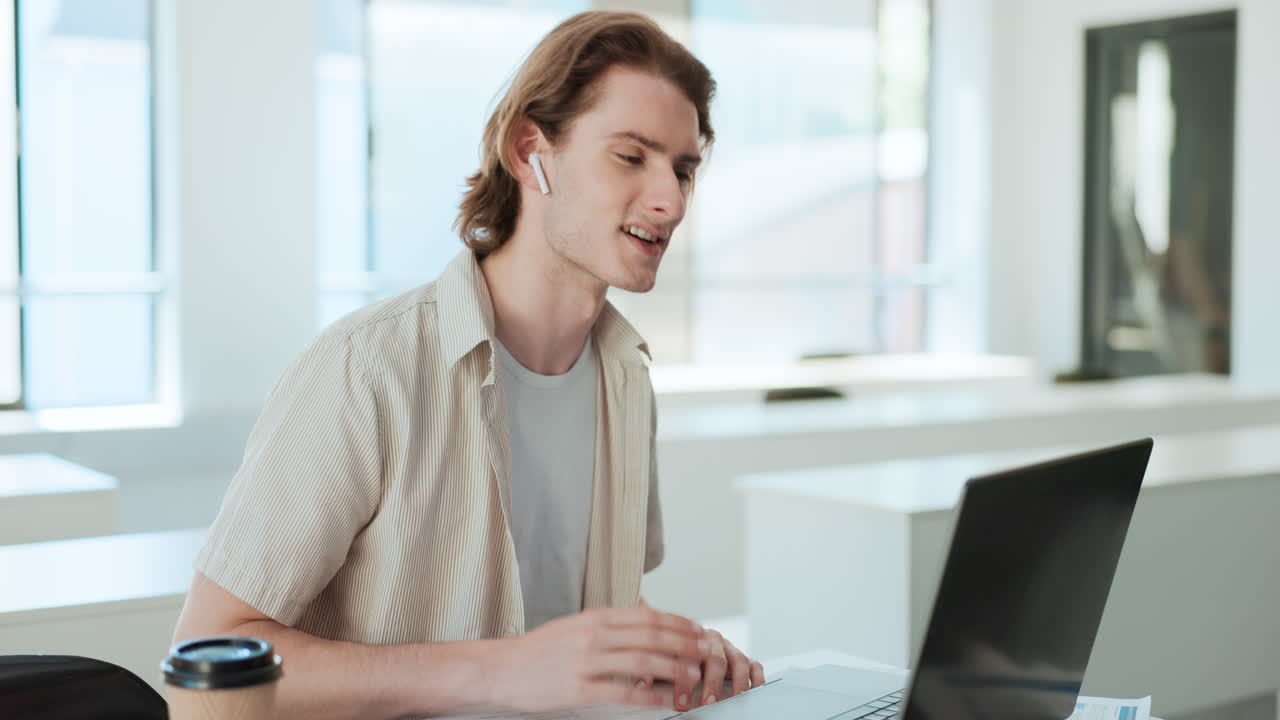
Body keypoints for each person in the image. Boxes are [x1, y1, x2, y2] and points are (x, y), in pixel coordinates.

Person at [172, 10, 763, 719]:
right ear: (529, 152)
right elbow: (207, 651)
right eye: (630, 157)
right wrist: (499, 671)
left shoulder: (626, 375)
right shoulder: (366, 370)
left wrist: (676, 650)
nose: (669, 199)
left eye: (684, 168)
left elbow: (577, 602)